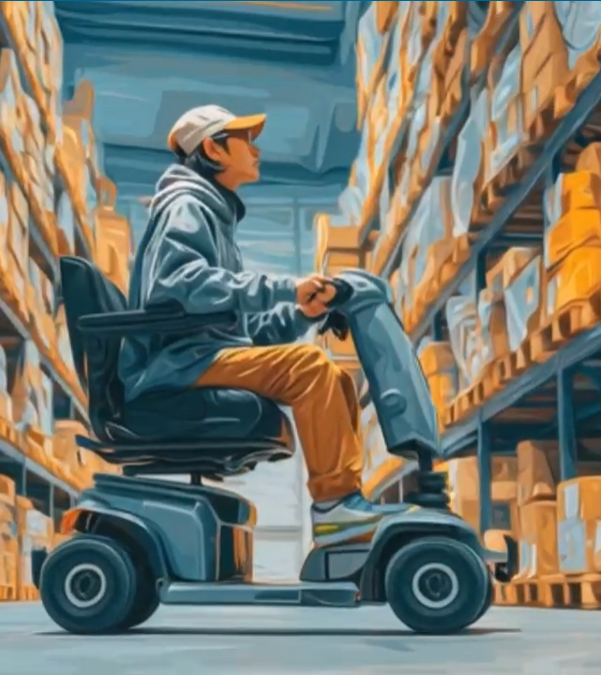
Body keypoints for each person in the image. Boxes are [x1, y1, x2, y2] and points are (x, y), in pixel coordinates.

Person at [122, 104, 412, 547]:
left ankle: (347, 501)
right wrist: (285, 288)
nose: (256, 150)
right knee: (310, 368)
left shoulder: (214, 215)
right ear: (214, 149)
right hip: (178, 363)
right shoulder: (187, 205)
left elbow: (247, 333)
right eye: (245, 140)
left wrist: (303, 311)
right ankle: (335, 508)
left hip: (203, 356)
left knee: (334, 376)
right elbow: (178, 282)